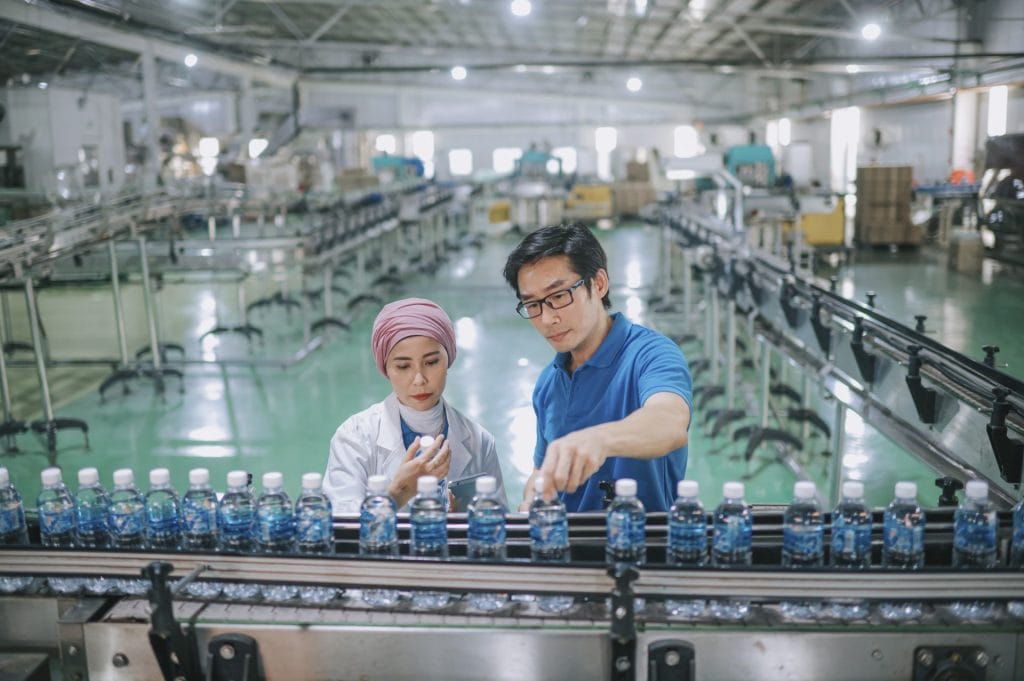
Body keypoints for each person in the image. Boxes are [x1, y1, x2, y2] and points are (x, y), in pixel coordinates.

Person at [503, 224, 692, 512]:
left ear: (599, 283)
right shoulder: (548, 384)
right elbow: (542, 472)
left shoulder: (650, 354)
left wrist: (600, 439)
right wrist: (533, 496)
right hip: (565, 549)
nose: (547, 318)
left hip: (640, 545)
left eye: (559, 296)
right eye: (533, 305)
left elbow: (669, 422)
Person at [324, 298, 506, 512]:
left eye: (431, 362)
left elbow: (500, 531)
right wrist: (396, 495)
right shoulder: (353, 438)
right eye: (403, 366)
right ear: (386, 369)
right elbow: (342, 534)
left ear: (449, 360)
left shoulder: (479, 442)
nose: (419, 379)